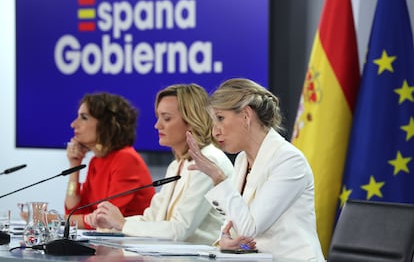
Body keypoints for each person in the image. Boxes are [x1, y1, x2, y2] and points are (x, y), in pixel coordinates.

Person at [186, 78, 325, 261]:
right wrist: (226, 242)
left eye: (220, 118)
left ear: (246, 116)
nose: (215, 131)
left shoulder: (289, 160)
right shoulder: (242, 160)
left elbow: (250, 228)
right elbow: (240, 232)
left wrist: (219, 178)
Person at [84, 84, 234, 245]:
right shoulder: (177, 165)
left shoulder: (209, 161)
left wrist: (122, 224)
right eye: (158, 117)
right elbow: (153, 218)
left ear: (191, 121)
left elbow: (180, 229)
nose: (157, 125)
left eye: (167, 118)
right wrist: (111, 224)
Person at [65, 92, 155, 229]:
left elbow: (104, 220)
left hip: (132, 246)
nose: (73, 124)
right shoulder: (96, 161)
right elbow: (75, 212)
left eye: (84, 118)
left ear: (105, 124)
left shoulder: (126, 159)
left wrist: (56, 219)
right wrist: (74, 166)